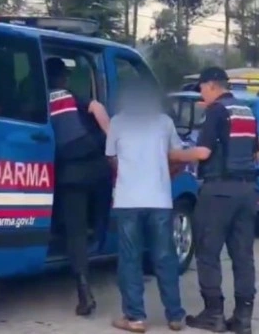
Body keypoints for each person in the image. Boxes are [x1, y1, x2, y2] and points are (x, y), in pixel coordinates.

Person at [169, 66, 259, 334]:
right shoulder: (245, 111)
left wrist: (172, 154)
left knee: (208, 252)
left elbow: (203, 152)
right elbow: (256, 152)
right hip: (248, 190)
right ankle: (243, 318)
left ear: (210, 85)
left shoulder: (216, 111)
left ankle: (214, 314)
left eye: (201, 88)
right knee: (243, 255)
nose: (201, 94)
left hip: (219, 190)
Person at [106, 81, 187, 333]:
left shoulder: (117, 122)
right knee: (164, 257)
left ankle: (136, 318)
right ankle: (175, 316)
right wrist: (165, 175)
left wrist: (128, 173)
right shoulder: (164, 122)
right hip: (159, 200)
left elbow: (111, 157)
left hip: (128, 201)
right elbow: (177, 156)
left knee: (130, 259)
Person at [45, 57, 110, 317]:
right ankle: (101, 234)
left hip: (70, 172)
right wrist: (112, 139)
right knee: (100, 209)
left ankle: (84, 293)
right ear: (63, 78)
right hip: (96, 164)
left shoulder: (38, 100)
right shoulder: (71, 95)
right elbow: (98, 108)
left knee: (75, 232)